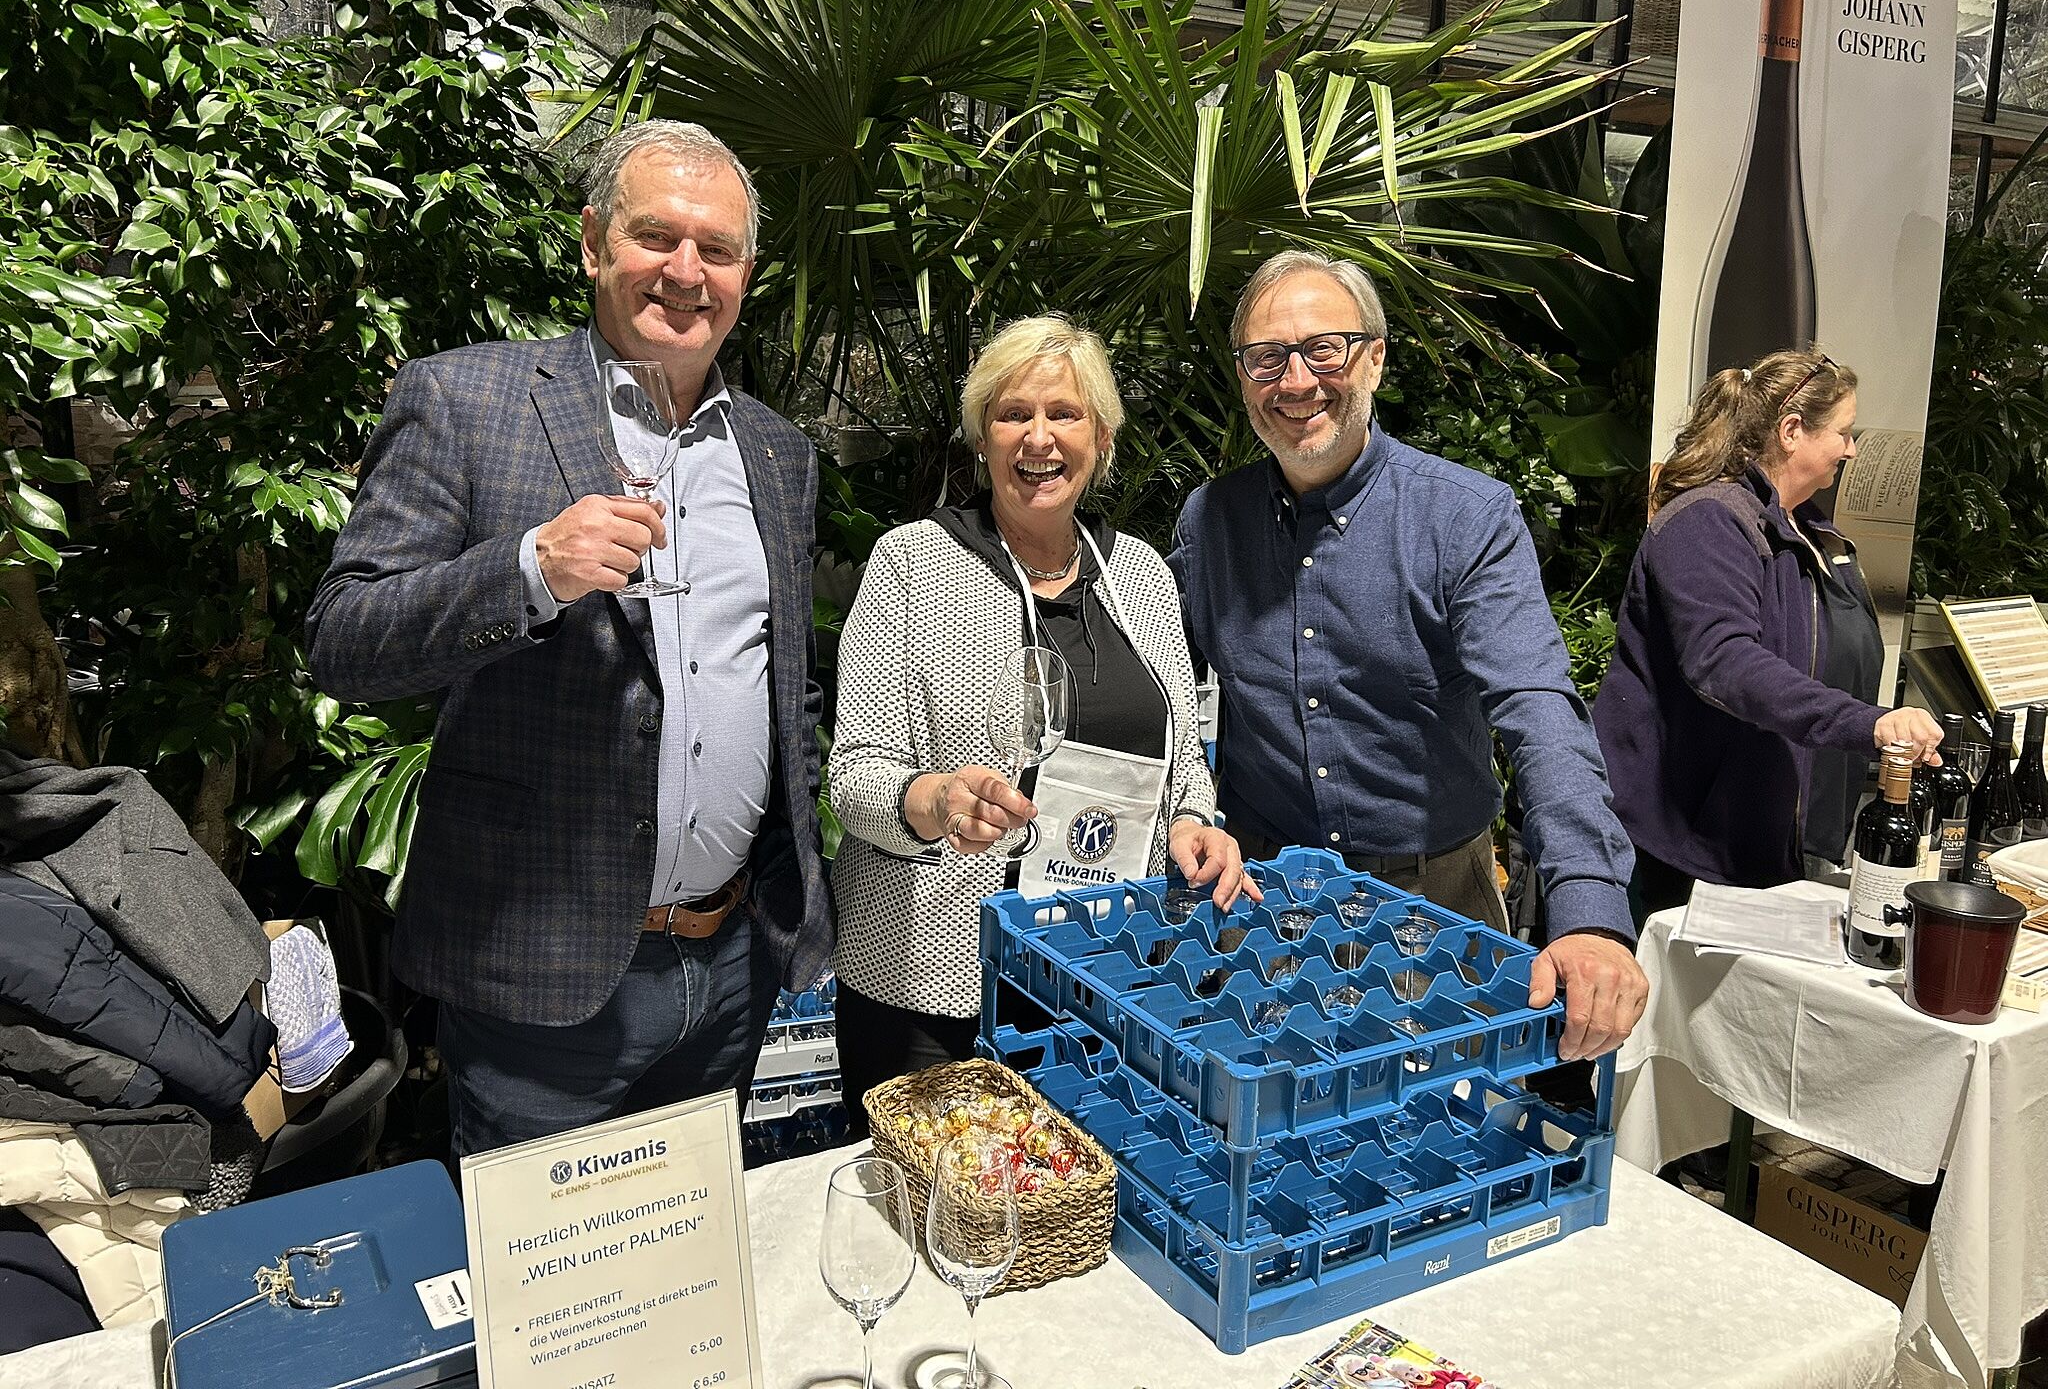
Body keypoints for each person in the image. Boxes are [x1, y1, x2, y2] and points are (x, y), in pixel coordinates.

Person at [306, 120, 831, 1156]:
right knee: (548, 1261)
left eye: (717, 249)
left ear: (746, 274)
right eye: (655, 237)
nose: (686, 272)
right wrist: (528, 571)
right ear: (593, 243)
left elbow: (786, 689)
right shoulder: (467, 399)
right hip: (539, 976)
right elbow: (344, 638)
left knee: (694, 1246)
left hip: (732, 965)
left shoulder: (778, 453)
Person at [1170, 249, 1648, 1063]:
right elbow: (1165, 693)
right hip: (1260, 902)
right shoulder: (1210, 521)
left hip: (1435, 906)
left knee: (1445, 1114)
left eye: (1324, 350)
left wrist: (1591, 912)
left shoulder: (1466, 518)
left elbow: (1536, 706)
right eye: (1267, 358)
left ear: (1375, 358)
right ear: (1244, 377)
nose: (1296, 381)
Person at [827, 315, 1249, 1130]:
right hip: (931, 983)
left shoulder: (1141, 575)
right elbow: (855, 774)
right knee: (941, 1199)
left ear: (1102, 438)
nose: (1039, 438)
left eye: (1065, 414)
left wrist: (1194, 822)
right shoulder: (912, 563)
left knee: (1088, 1195)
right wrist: (934, 801)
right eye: (1013, 414)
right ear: (982, 437)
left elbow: (1182, 760)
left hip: (1104, 975)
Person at [1592, 349, 1943, 923]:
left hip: (1764, 847)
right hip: (1679, 850)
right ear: (1791, 431)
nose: (1851, 450)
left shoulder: (1812, 536)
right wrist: (1868, 723)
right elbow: (1723, 662)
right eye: (1843, 433)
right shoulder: (1707, 521)